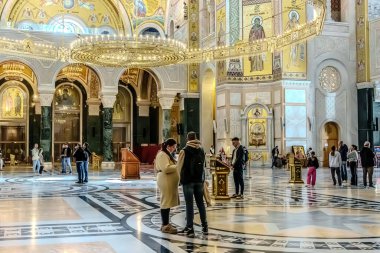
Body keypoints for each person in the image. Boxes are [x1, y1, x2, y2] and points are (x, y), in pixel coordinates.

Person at [177, 132, 208, 237]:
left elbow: (178, 167)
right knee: (201, 204)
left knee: (189, 204)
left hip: (188, 181)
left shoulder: (184, 151)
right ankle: (205, 226)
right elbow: (204, 166)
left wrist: (178, 181)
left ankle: (190, 228)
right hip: (199, 181)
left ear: (187, 139)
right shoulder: (202, 149)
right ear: (196, 138)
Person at [155, 138, 179, 234]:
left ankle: (166, 224)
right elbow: (166, 168)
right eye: (173, 147)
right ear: (168, 146)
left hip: (167, 180)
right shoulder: (162, 154)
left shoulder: (166, 154)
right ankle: (165, 225)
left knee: (167, 202)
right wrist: (178, 166)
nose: (174, 149)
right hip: (165, 180)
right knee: (165, 202)